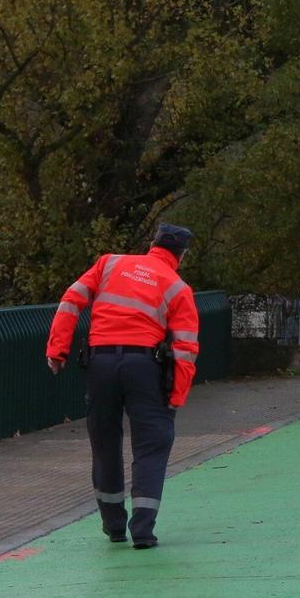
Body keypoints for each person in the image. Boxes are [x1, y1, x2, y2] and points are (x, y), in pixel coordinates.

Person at [45, 223, 199, 550]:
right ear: (181, 255)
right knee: (152, 444)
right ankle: (142, 530)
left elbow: (71, 300)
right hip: (145, 367)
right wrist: (176, 397)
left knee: (104, 442)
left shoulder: (109, 263)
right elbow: (186, 348)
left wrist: (57, 350)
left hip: (99, 364)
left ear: (152, 243)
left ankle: (113, 525)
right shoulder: (177, 287)